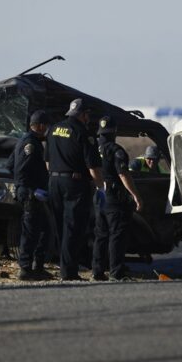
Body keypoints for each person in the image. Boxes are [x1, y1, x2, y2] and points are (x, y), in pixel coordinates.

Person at [45, 98, 104, 281]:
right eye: (87, 115)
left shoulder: (54, 129)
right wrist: (101, 188)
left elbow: (47, 162)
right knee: (73, 229)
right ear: (83, 115)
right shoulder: (83, 133)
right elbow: (93, 166)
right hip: (74, 185)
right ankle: (68, 272)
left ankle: (65, 267)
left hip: (54, 182)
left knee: (61, 228)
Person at [91, 116, 143, 281]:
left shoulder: (94, 149)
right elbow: (123, 174)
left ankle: (97, 271)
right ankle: (116, 272)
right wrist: (135, 195)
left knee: (101, 235)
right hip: (114, 198)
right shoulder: (116, 150)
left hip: (99, 195)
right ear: (114, 132)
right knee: (117, 235)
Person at [13, 110, 53, 281]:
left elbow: (9, 165)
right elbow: (22, 169)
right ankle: (26, 268)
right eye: (46, 126)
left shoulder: (22, 140)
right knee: (31, 232)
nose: (47, 130)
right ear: (40, 126)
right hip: (31, 194)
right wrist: (30, 189)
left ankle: (37, 266)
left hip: (30, 192)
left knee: (44, 229)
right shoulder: (31, 144)